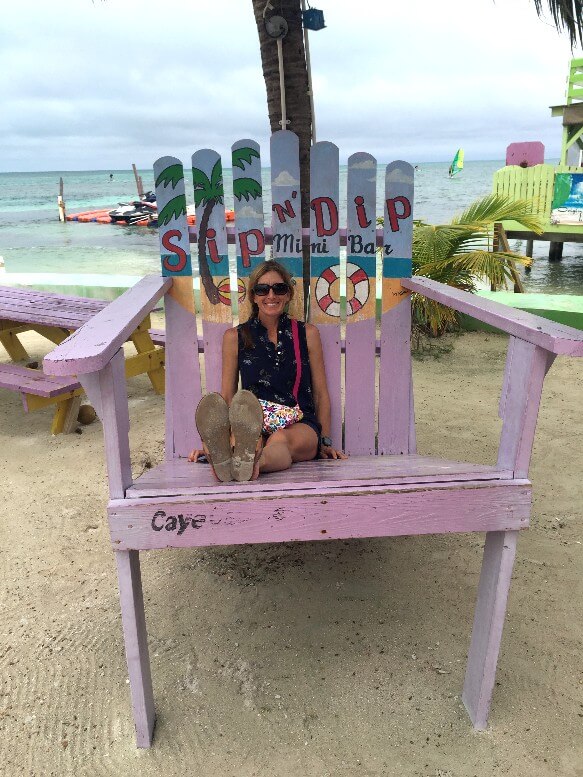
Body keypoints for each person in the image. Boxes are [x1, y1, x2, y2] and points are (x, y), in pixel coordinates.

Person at [189, 259, 347, 482]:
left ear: (288, 294)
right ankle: (226, 455)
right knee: (246, 438)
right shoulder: (235, 337)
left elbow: (321, 393)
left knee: (281, 439)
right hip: (252, 423)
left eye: (278, 288)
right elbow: (227, 396)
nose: (271, 296)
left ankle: (252, 464)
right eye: (262, 289)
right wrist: (220, 438)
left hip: (300, 423)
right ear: (254, 296)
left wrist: (326, 443)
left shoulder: (307, 334)